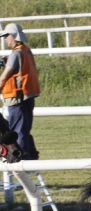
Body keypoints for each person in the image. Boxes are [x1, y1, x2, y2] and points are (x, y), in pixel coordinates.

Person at [0, 23, 40, 160]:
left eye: (6, 36)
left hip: (17, 98)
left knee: (17, 131)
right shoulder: (26, 50)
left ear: (13, 36)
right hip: (27, 96)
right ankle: (31, 156)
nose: (5, 39)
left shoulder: (16, 53)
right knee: (24, 130)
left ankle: (23, 160)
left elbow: (5, 75)